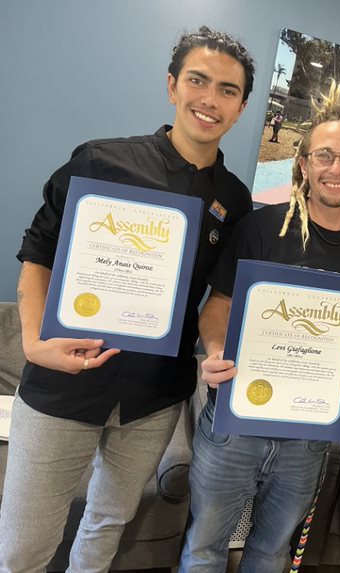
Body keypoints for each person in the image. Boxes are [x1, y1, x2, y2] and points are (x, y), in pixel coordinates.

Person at [0, 26, 255, 572]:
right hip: (64, 383)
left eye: (228, 90)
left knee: (106, 525)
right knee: (22, 547)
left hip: (153, 398)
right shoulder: (101, 161)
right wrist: (33, 341)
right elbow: (38, 251)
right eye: (197, 80)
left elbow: (220, 297)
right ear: (172, 85)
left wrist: (215, 349)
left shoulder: (234, 201)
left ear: (240, 108)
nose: (210, 100)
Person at [180, 82, 340, 572]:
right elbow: (218, 305)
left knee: (272, 552)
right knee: (204, 548)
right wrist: (215, 350)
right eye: (325, 155)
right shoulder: (259, 227)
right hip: (235, 424)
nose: (336, 168)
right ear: (304, 164)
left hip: (308, 439)